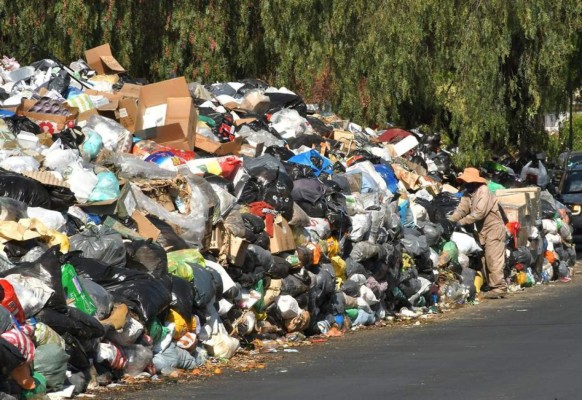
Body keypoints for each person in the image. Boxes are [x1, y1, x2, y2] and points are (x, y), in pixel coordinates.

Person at [448, 167, 507, 298]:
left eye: (467, 181)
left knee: (493, 258)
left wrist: (461, 222)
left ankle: (499, 288)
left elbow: (479, 213)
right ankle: (492, 285)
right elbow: (461, 210)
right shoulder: (467, 193)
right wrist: (450, 220)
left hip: (494, 228)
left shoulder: (483, 191)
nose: (466, 184)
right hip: (482, 231)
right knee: (485, 260)